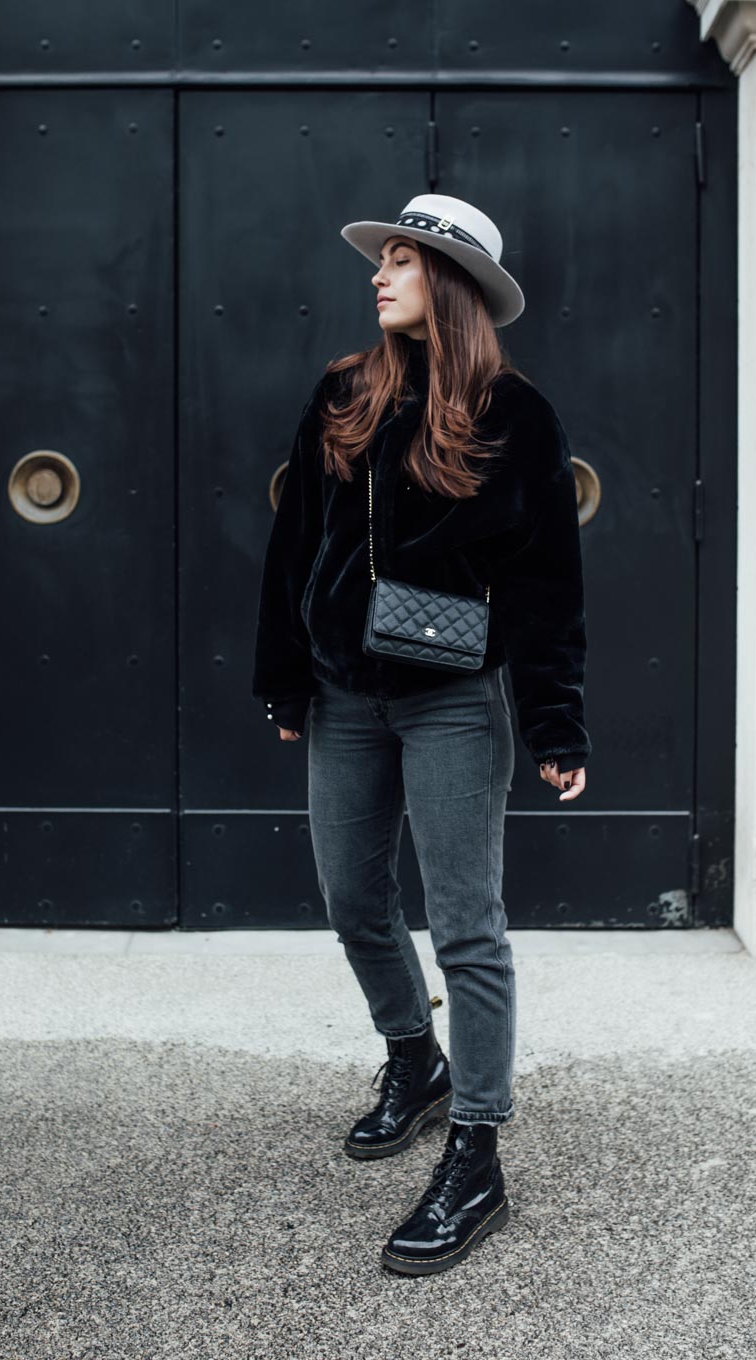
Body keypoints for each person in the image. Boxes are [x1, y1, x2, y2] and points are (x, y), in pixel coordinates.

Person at [251, 193, 590, 1276]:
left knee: (466, 922)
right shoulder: (342, 393)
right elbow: (293, 543)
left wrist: (552, 718)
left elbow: (547, 580)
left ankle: (476, 1149)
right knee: (352, 896)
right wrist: (285, 679)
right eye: (382, 257)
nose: (378, 274)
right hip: (345, 694)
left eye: (400, 261)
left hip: (452, 698)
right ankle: (413, 1053)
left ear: (447, 282)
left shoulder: (513, 414)